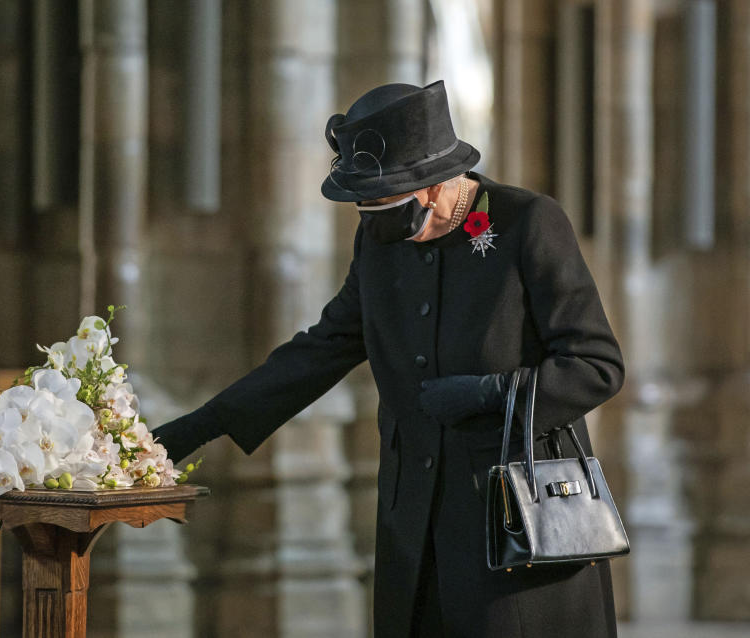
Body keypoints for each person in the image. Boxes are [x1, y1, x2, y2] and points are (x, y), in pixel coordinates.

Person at [153, 80, 625, 637]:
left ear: (430, 186)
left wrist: (491, 394)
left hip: (515, 523)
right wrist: (199, 426)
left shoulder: (528, 223)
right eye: (366, 208)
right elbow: (323, 347)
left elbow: (597, 365)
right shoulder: (378, 244)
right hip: (416, 527)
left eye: (386, 206)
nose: (377, 223)